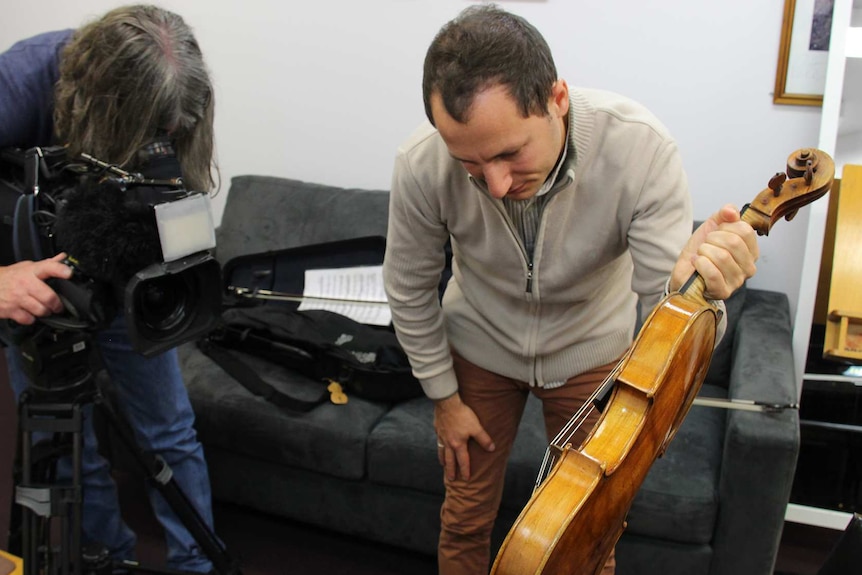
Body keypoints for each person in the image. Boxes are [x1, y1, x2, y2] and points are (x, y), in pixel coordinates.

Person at [381, 5, 759, 575]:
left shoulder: (641, 148)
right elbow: (407, 288)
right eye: (470, 164)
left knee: (588, 536)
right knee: (463, 519)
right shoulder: (420, 162)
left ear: (556, 98)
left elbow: (667, 307)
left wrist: (699, 290)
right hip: (478, 352)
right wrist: (443, 398)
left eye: (511, 153)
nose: (498, 184)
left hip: (593, 355)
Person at [0, 6, 218, 573]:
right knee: (70, 439)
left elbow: (179, 205)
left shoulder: (172, 105)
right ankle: (109, 560)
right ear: (100, 105)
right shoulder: (17, 86)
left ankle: (196, 565)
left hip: (115, 268)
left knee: (169, 427)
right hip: (28, 280)